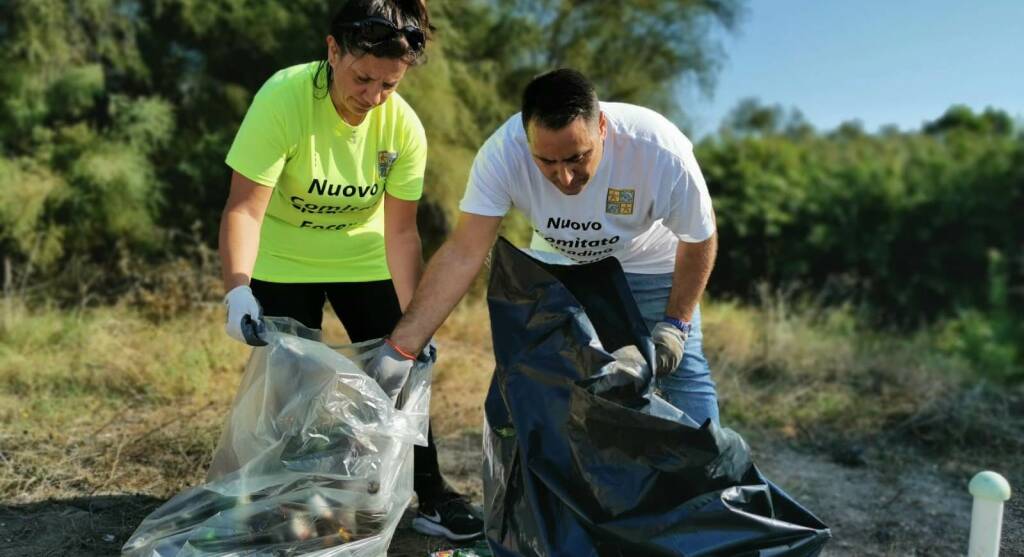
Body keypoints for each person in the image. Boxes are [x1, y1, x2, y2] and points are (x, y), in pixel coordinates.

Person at [217, 0, 483, 542]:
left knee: (402, 373)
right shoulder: (284, 98)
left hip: (362, 257)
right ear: (333, 50)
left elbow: (401, 233)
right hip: (284, 258)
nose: (374, 97)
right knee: (289, 386)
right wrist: (237, 290)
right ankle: (289, 497)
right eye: (364, 79)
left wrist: (416, 323)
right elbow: (244, 208)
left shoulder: (402, 127)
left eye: (390, 84)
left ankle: (430, 493)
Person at [374, 68, 720, 426]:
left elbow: (700, 238)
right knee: (537, 377)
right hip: (560, 265)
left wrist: (677, 324)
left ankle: (711, 480)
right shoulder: (502, 154)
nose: (565, 178)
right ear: (526, 139)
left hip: (650, 264)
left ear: (602, 127)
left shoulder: (659, 150)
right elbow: (464, 251)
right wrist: (402, 347)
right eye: (547, 162)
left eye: (577, 158)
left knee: (682, 376)